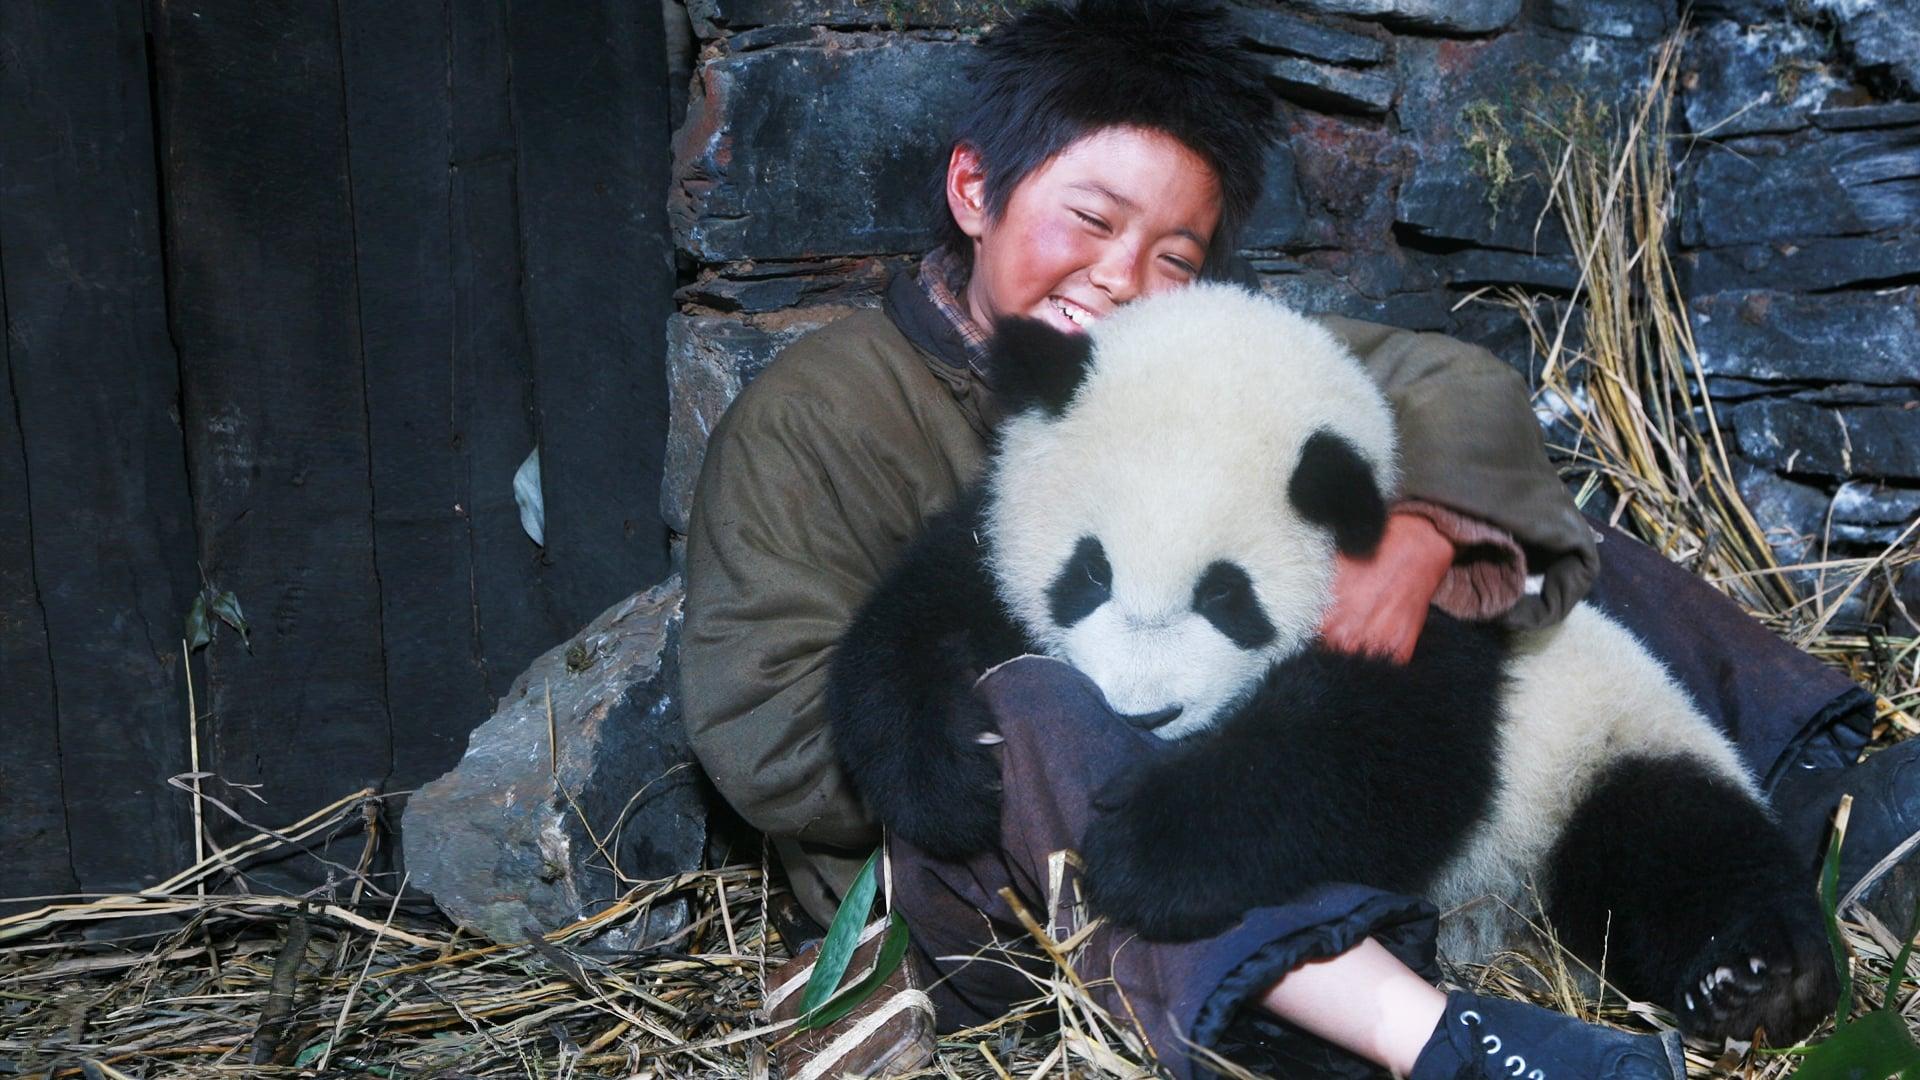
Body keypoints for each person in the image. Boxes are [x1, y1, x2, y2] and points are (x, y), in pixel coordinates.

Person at [680, 2, 1915, 1076]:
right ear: (974, 188)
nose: (1122, 280)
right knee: (1050, 707)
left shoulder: (1183, 355)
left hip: (1270, 782)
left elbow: (1438, 388)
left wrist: (1424, 527)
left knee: (1523, 534)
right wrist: (949, 727)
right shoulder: (819, 416)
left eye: (1177, 254)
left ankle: (1833, 805)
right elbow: (776, 727)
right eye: (1091, 219)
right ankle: (1418, 1028)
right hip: (1014, 870)